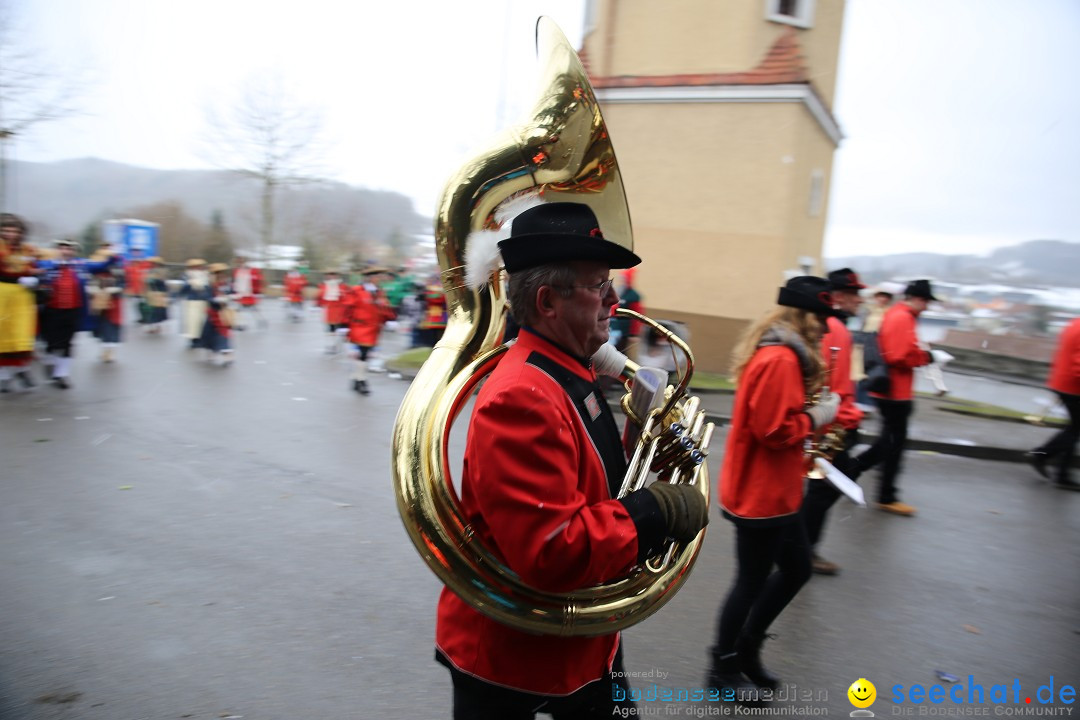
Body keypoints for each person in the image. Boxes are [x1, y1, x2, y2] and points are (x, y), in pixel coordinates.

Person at [436, 201, 708, 719]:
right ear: (548, 301)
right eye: (599, 285)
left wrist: (640, 437)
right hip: (514, 653)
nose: (614, 297)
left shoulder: (568, 369)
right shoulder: (522, 394)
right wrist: (654, 511)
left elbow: (585, 481)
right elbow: (553, 550)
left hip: (575, 633)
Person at [706, 275, 840, 698]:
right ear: (803, 315)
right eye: (821, 317)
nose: (826, 326)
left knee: (797, 569)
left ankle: (746, 650)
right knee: (750, 581)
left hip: (778, 492)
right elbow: (773, 430)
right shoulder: (781, 359)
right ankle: (723, 669)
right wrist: (818, 417)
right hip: (761, 496)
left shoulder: (784, 354)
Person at [799, 268, 866, 576]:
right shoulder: (836, 329)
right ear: (838, 297)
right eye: (854, 295)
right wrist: (844, 418)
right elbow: (832, 383)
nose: (859, 301)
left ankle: (800, 545)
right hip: (835, 423)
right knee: (824, 489)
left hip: (834, 419)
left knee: (824, 488)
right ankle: (802, 549)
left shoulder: (835, 328)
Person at [852, 279, 937, 516]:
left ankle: (858, 476)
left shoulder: (898, 315)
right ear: (916, 298)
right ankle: (883, 494)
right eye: (926, 301)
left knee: (889, 443)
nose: (927, 306)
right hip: (896, 392)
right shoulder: (903, 317)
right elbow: (898, 356)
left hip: (893, 390)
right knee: (892, 444)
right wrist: (926, 357)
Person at [35, 239, 120, 388]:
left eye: (70, 249)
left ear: (74, 251)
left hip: (73, 311)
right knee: (50, 342)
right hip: (51, 311)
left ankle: (62, 375)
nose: (66, 251)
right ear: (58, 249)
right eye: (63, 248)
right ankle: (50, 363)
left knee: (67, 343)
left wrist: (114, 256)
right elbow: (32, 269)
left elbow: (102, 266)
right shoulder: (47, 265)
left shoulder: (81, 265)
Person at [1027, 316, 1080, 492]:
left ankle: (1062, 474)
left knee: (1073, 428)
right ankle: (1041, 455)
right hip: (1074, 386)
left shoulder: (1074, 323)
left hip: (1062, 381)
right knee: (1074, 429)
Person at [0, 213, 41, 393]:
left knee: (22, 332)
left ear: (20, 232)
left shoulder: (28, 250)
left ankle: (22, 370)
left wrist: (32, 276)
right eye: (6, 230)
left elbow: (36, 266)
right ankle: (4, 376)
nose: (10, 233)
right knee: (3, 332)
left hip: (22, 295)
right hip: (2, 292)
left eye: (13, 230)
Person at [344, 266, 395, 395]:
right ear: (370, 278)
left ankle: (356, 379)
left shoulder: (379, 292)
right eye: (378, 277)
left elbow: (384, 307)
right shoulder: (356, 291)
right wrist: (342, 325)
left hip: (373, 329)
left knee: (365, 355)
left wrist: (390, 319)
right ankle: (362, 381)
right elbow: (347, 307)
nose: (380, 279)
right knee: (363, 354)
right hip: (359, 327)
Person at [199, 263, 235, 365]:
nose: (221, 275)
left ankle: (227, 353)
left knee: (223, 333)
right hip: (213, 313)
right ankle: (212, 351)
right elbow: (206, 297)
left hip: (223, 314)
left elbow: (231, 293)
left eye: (222, 273)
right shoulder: (209, 286)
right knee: (209, 334)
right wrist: (215, 300)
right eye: (218, 273)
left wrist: (230, 297)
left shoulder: (226, 284)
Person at [88, 268, 124, 362]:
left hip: (113, 306)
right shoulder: (97, 273)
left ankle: (110, 353)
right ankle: (105, 352)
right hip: (100, 307)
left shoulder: (117, 273)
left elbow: (121, 286)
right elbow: (92, 287)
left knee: (111, 329)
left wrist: (113, 290)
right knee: (102, 329)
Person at [179, 259, 212, 348]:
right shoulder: (187, 276)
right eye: (196, 267)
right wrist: (190, 284)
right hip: (192, 301)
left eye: (200, 266)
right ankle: (194, 340)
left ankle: (202, 339)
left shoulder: (206, 276)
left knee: (202, 321)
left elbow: (209, 288)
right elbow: (183, 289)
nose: (198, 268)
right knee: (193, 321)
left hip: (203, 301)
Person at [316, 269, 349, 354]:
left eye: (333, 275)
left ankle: (338, 345)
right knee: (330, 329)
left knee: (340, 329)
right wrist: (317, 305)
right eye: (329, 275)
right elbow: (320, 296)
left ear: (337, 276)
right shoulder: (323, 285)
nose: (331, 277)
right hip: (329, 310)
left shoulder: (343, 286)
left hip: (340, 310)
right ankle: (331, 345)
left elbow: (347, 298)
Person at [230, 255, 265, 330]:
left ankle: (260, 321)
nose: (239, 263)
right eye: (238, 261)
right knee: (241, 309)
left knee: (251, 309)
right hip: (241, 293)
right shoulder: (237, 271)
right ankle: (242, 324)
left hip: (248, 293)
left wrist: (257, 292)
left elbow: (257, 281)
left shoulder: (252, 270)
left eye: (241, 261)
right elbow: (235, 282)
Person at [140, 257, 170, 334]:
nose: (151, 264)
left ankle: (156, 327)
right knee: (153, 311)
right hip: (153, 293)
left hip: (158, 293)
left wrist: (152, 280)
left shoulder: (161, 271)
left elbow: (161, 282)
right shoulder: (152, 271)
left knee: (156, 311)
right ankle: (155, 327)